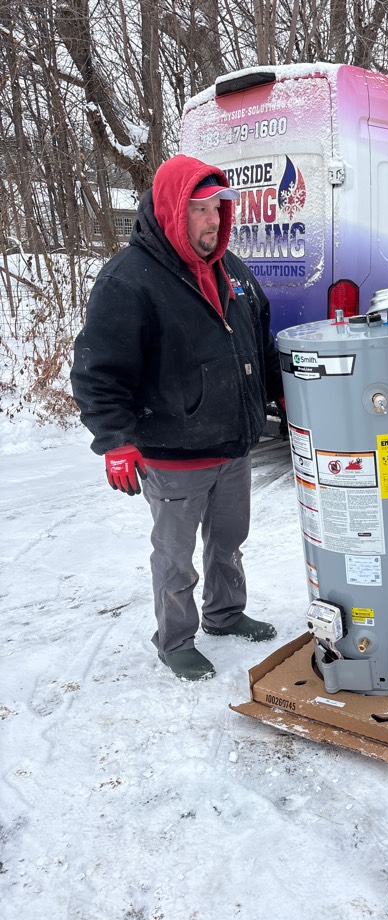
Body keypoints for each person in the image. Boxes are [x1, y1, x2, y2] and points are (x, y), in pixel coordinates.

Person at [71, 154, 284, 681]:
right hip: (172, 452)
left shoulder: (233, 272)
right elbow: (98, 370)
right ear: (172, 210)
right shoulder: (129, 280)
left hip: (232, 445)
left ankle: (225, 613)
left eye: (219, 207)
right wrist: (115, 440)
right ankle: (175, 638)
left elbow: (260, 348)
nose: (214, 219)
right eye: (200, 209)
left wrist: (291, 402)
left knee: (230, 541)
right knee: (175, 557)